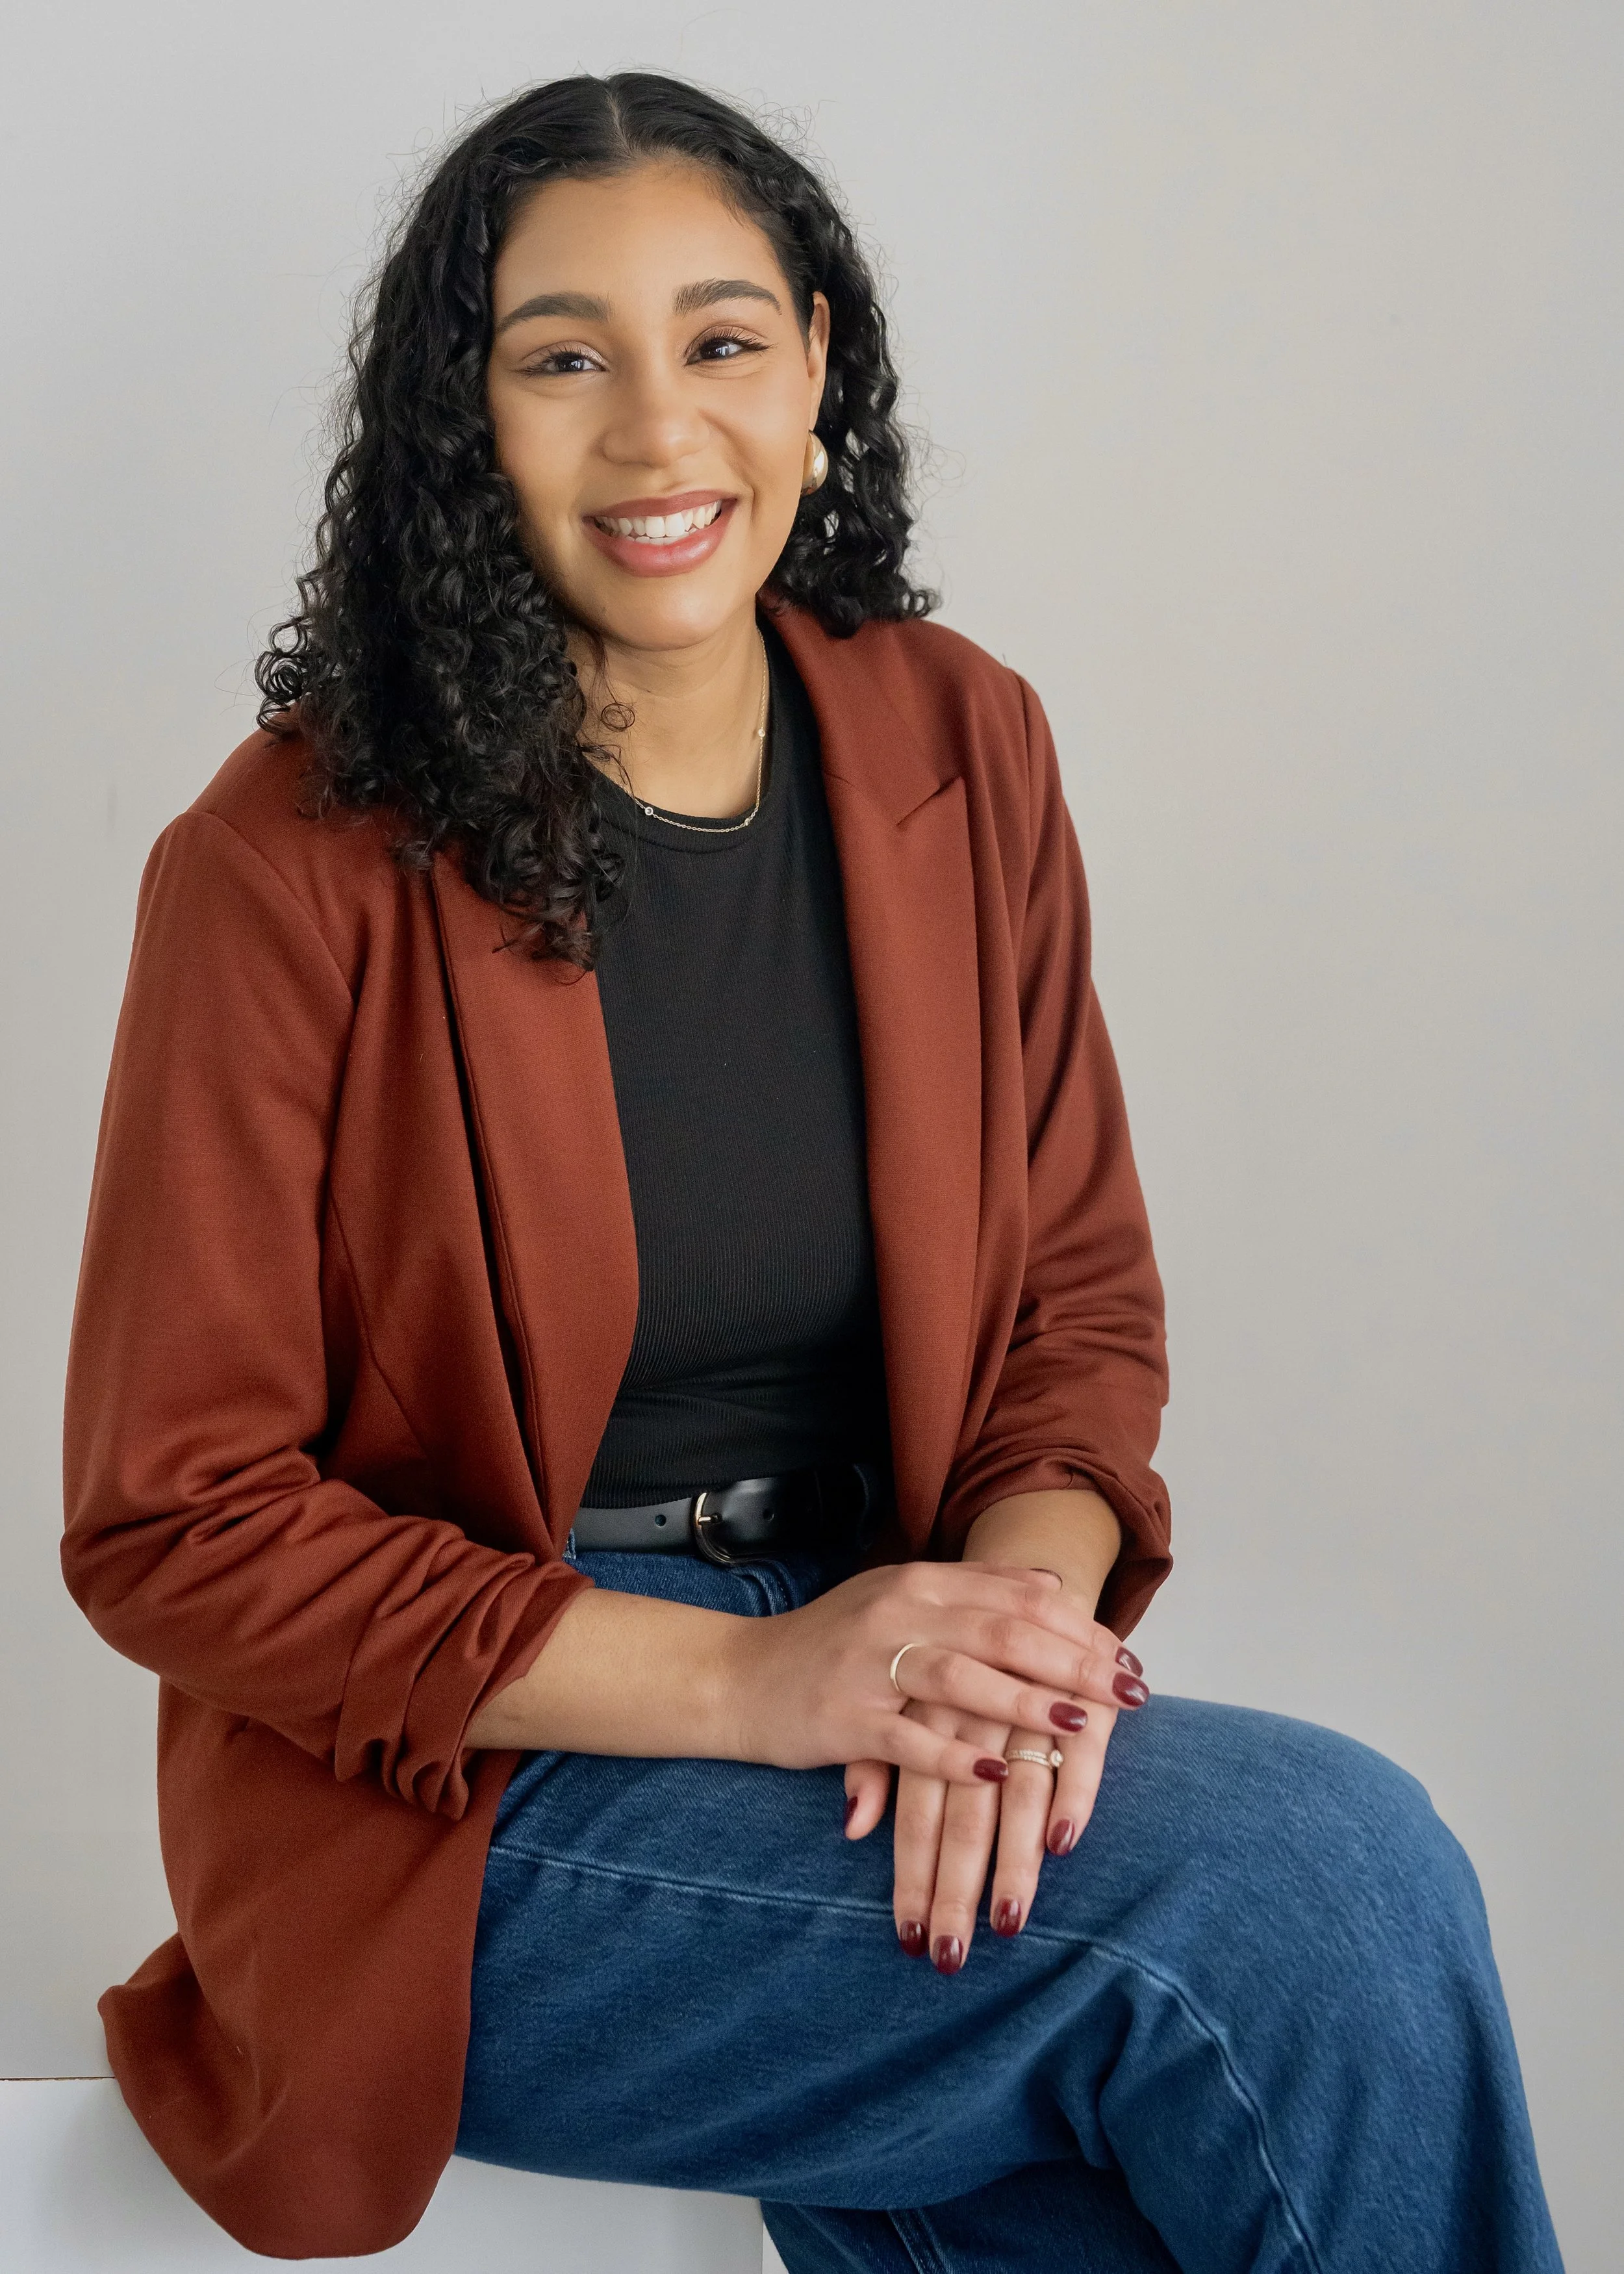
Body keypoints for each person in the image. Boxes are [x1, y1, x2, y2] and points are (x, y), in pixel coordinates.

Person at [60, 71, 1563, 2274]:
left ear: (818, 371)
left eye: (723, 340)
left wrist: (1004, 1667)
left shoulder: (957, 740)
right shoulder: (284, 868)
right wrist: (768, 1683)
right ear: (460, 421)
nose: (659, 430)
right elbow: (171, 1522)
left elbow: (1073, 1316)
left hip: (899, 1646)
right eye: (563, 355)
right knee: (1315, 1888)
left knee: (1116, 2162)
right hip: (476, 1796)